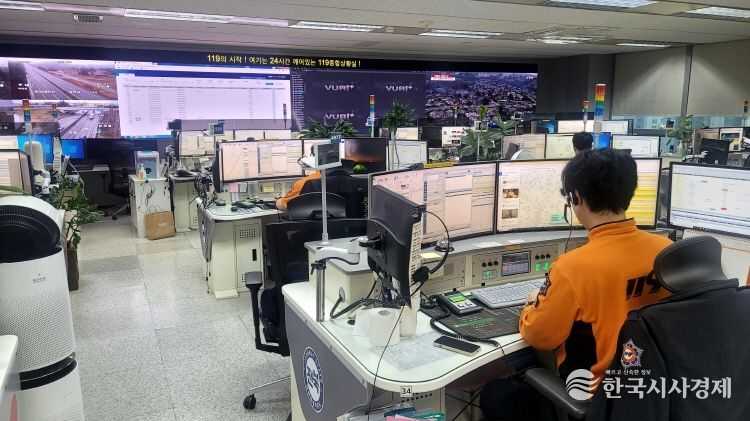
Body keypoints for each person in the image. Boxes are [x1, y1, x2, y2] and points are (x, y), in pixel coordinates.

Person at [519, 149, 672, 381]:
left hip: (599, 391)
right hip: (657, 383)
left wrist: (533, 304)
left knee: (496, 393)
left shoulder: (572, 268)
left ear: (575, 197)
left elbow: (539, 336)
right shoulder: (667, 250)